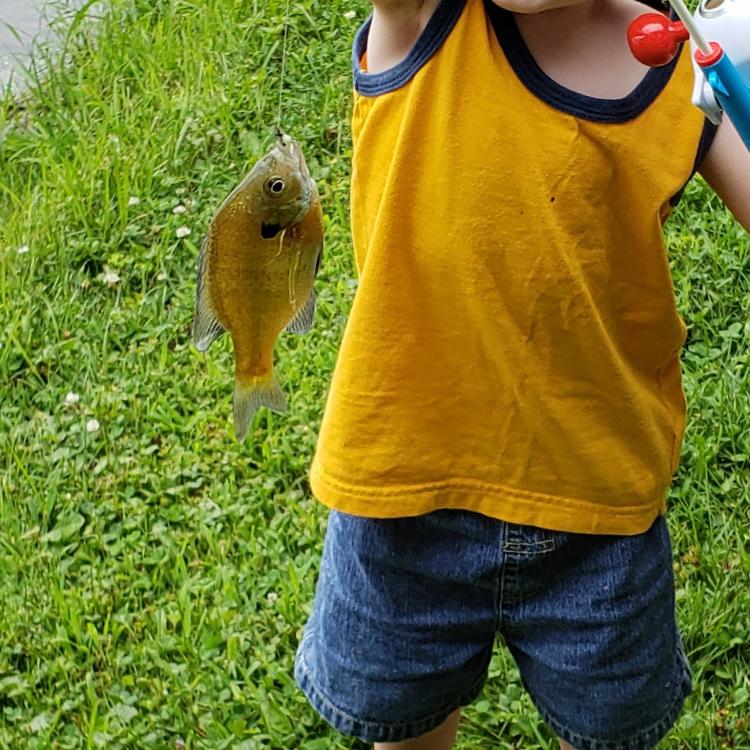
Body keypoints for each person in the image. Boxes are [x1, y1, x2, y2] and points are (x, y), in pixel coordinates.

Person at [294, 0, 750, 748]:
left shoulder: (678, 64)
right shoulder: (417, 16)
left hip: (600, 513)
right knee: (403, 731)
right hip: (406, 502)